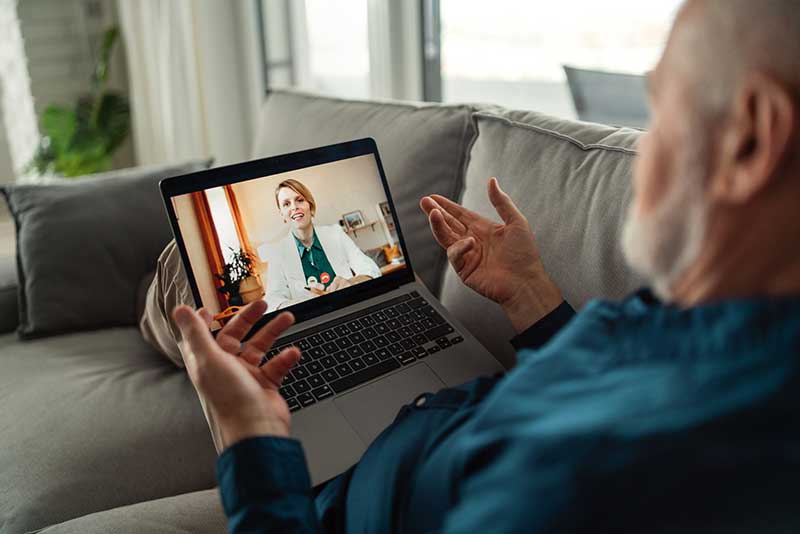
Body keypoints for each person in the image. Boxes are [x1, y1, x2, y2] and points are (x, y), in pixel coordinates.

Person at [172, 0, 800, 532]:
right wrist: (531, 294)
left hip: (331, 498)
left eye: (661, 112)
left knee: (180, 304)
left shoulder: (584, 482)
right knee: (190, 295)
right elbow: (585, 388)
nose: (645, 145)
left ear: (752, 138)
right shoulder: (706, 314)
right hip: (406, 412)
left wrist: (250, 436)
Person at [263, 178, 381, 312]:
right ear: (282, 214)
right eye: (286, 204)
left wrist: (351, 283)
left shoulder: (336, 233)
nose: (294, 207)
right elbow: (272, 301)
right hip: (312, 319)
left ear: (310, 205)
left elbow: (370, 269)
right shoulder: (278, 252)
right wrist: (303, 303)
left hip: (350, 308)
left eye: (300, 200)